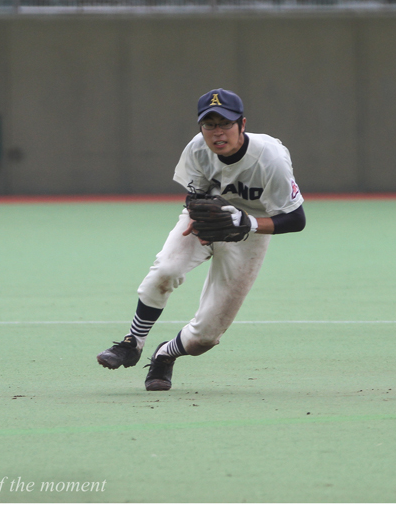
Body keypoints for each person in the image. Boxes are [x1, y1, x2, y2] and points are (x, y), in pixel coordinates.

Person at [97, 88, 306, 391]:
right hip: (209, 221)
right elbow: (196, 194)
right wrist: (197, 212)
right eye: (209, 125)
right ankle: (132, 342)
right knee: (166, 269)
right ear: (201, 128)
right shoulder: (197, 149)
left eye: (225, 123)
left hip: (252, 231)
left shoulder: (269, 159)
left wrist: (247, 223)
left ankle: (164, 356)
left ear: (242, 125)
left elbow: (296, 220)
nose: (217, 132)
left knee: (205, 337)